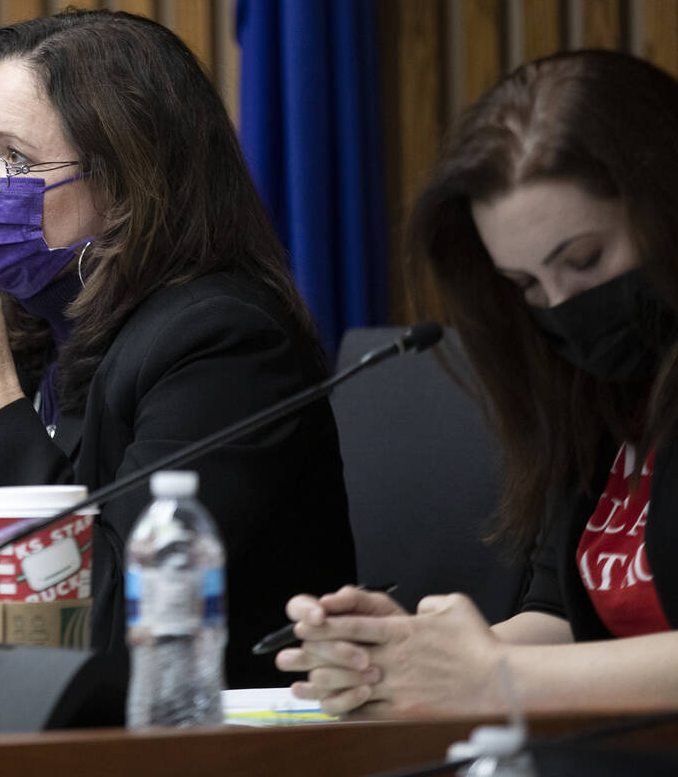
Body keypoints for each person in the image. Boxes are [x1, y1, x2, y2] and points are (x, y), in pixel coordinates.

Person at [0, 9, 355, 689]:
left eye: (15, 158)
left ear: (129, 180)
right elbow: (28, 618)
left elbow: (112, 633)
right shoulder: (44, 330)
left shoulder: (224, 345)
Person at [276, 50, 678, 717]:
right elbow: (563, 615)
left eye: (584, 260)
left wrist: (494, 678)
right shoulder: (600, 388)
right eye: (526, 287)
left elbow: (521, 674)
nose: (561, 305)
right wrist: (409, 656)